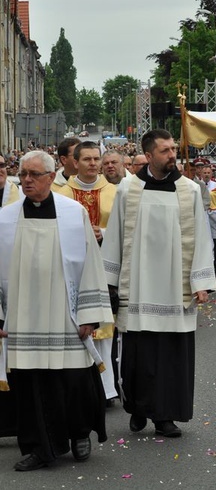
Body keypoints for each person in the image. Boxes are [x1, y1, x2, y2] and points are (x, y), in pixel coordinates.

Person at [0, 150, 112, 471]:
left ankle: (79, 433)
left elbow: (90, 264)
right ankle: (39, 447)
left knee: (73, 380)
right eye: (22, 175)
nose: (27, 180)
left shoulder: (72, 213)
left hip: (65, 312)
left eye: (34, 175)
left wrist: (90, 315)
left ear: (51, 177)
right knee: (31, 384)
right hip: (23, 317)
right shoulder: (5, 218)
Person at [101, 129, 216, 438]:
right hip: (139, 286)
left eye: (173, 150)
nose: (172, 155)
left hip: (174, 287)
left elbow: (202, 238)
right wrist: (110, 283)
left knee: (171, 356)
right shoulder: (129, 189)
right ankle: (139, 408)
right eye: (165, 151)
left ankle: (166, 416)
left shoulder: (189, 190)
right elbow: (115, 236)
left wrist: (200, 281)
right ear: (149, 156)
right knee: (141, 356)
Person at [58, 141, 119, 403]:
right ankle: (76, 389)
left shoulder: (116, 191)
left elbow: (124, 227)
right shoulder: (59, 192)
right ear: (75, 162)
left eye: (96, 159)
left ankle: (105, 389)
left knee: (103, 326)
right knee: (71, 326)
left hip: (104, 265)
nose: (93, 164)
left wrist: (103, 233)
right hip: (70, 269)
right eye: (87, 160)